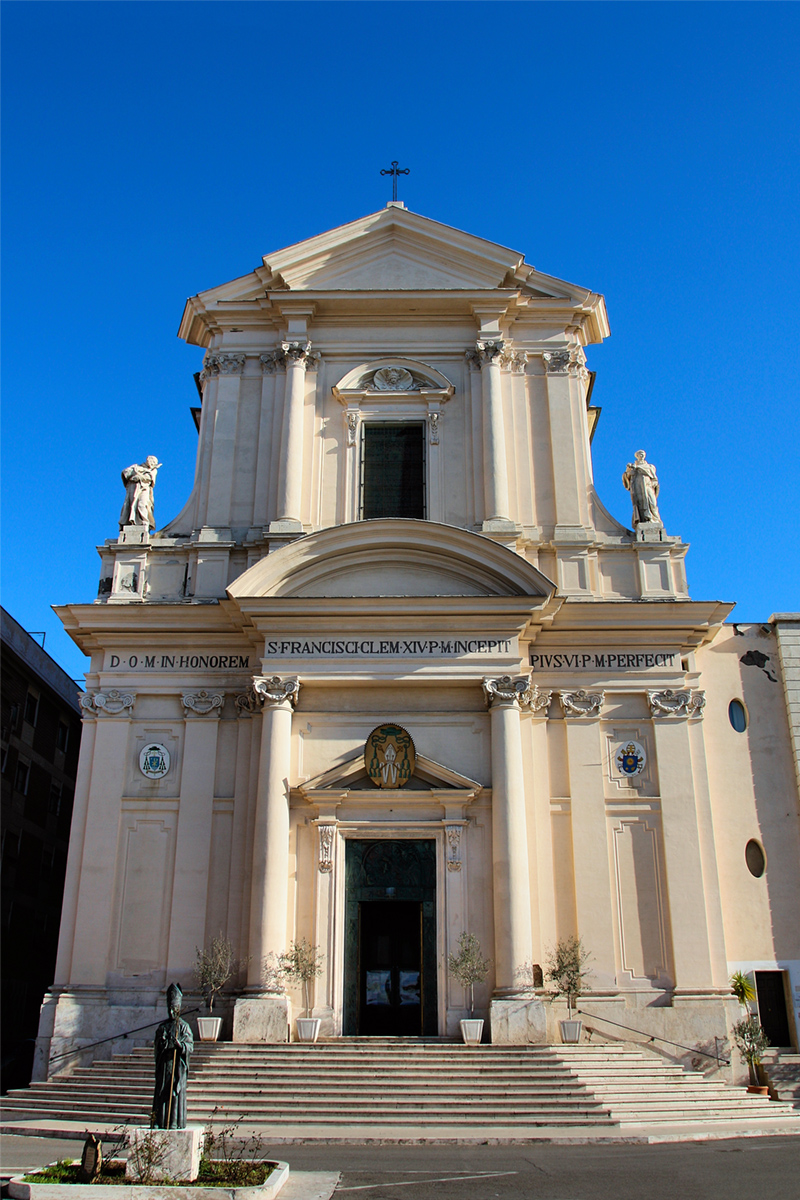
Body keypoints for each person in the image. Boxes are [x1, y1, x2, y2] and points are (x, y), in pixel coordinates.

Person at [152, 982, 193, 1129]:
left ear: (179, 1008)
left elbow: (190, 1045)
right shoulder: (162, 1027)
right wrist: (161, 1043)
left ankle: (174, 1122)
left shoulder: (183, 1026)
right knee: (162, 1092)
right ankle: (159, 1121)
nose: (171, 1012)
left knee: (175, 1094)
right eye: (169, 1009)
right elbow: (157, 1045)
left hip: (177, 1067)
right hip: (164, 1066)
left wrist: (180, 1046)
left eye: (174, 1009)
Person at [119, 456, 162, 530]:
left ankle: (144, 521)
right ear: (148, 460)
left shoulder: (153, 470)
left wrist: (140, 477)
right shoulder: (136, 467)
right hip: (134, 488)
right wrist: (134, 474)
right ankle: (133, 522)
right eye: (153, 461)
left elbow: (150, 479)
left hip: (144, 489)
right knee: (132, 505)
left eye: (155, 463)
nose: (153, 464)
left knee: (142, 504)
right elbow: (125, 473)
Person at [622, 449, 662, 525]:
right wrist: (629, 473)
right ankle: (644, 519)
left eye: (643, 453)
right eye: (640, 453)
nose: (642, 455)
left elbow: (654, 479)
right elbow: (626, 478)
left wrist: (654, 483)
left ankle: (654, 519)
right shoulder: (633, 466)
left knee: (652, 502)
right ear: (637, 456)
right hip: (638, 486)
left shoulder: (650, 466)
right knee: (640, 502)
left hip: (648, 486)